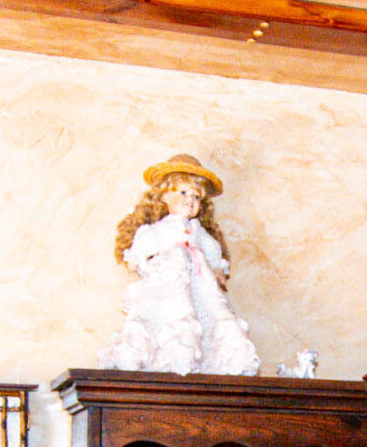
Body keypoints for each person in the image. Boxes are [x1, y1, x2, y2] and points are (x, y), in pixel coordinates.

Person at [103, 154, 260, 376]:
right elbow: (144, 244)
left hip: (199, 284)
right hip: (169, 282)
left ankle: (208, 358)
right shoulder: (161, 229)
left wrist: (217, 269)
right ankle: (167, 356)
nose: (190, 200)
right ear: (165, 195)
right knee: (166, 315)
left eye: (196, 196)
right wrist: (134, 267)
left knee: (209, 313)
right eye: (183, 193)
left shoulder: (198, 231)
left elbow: (212, 248)